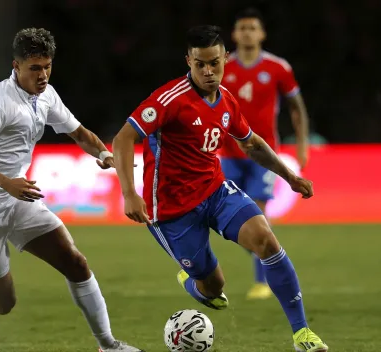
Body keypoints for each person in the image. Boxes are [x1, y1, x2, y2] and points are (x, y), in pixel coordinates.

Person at [113, 25, 327, 352]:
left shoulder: (226, 100)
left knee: (266, 240)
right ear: (189, 61)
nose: (208, 71)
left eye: (214, 62)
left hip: (215, 191)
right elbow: (124, 138)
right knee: (214, 288)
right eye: (200, 64)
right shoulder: (170, 99)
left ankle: (302, 334)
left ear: (225, 58)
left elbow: (252, 143)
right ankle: (195, 282)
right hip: (171, 211)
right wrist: (130, 193)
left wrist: (289, 176)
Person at [0, 27, 141, 352]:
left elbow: (79, 133)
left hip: (21, 200)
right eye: (35, 68)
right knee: (1, 304)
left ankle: (109, 346)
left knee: (75, 262)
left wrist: (105, 155)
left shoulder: (46, 95)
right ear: (16, 66)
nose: (43, 74)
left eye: (47, 66)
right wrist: (7, 183)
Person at [221, 8, 310, 300]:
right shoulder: (223, 67)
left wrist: (302, 143)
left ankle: (262, 281)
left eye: (252, 28)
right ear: (235, 34)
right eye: (242, 27)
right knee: (229, 221)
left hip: (263, 154)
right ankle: (271, 256)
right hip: (228, 152)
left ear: (261, 33)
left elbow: (296, 107)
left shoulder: (277, 67)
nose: (247, 32)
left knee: (257, 214)